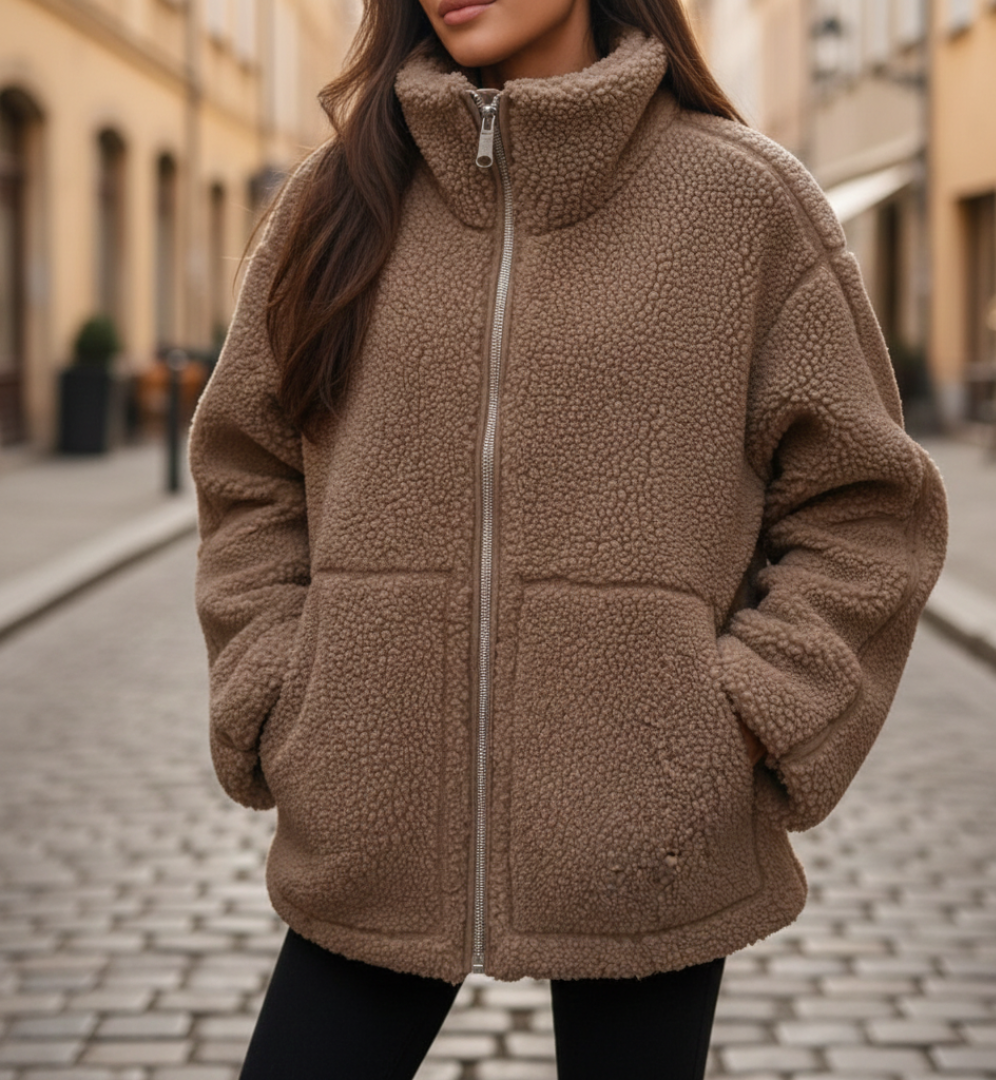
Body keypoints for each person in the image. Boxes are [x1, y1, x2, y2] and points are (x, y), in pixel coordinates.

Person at [188, 0, 949, 1076]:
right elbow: (247, 469)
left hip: (651, 837)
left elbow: (868, 506)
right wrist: (276, 685)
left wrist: (742, 722)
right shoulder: (334, 203)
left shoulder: (742, 203)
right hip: (367, 824)